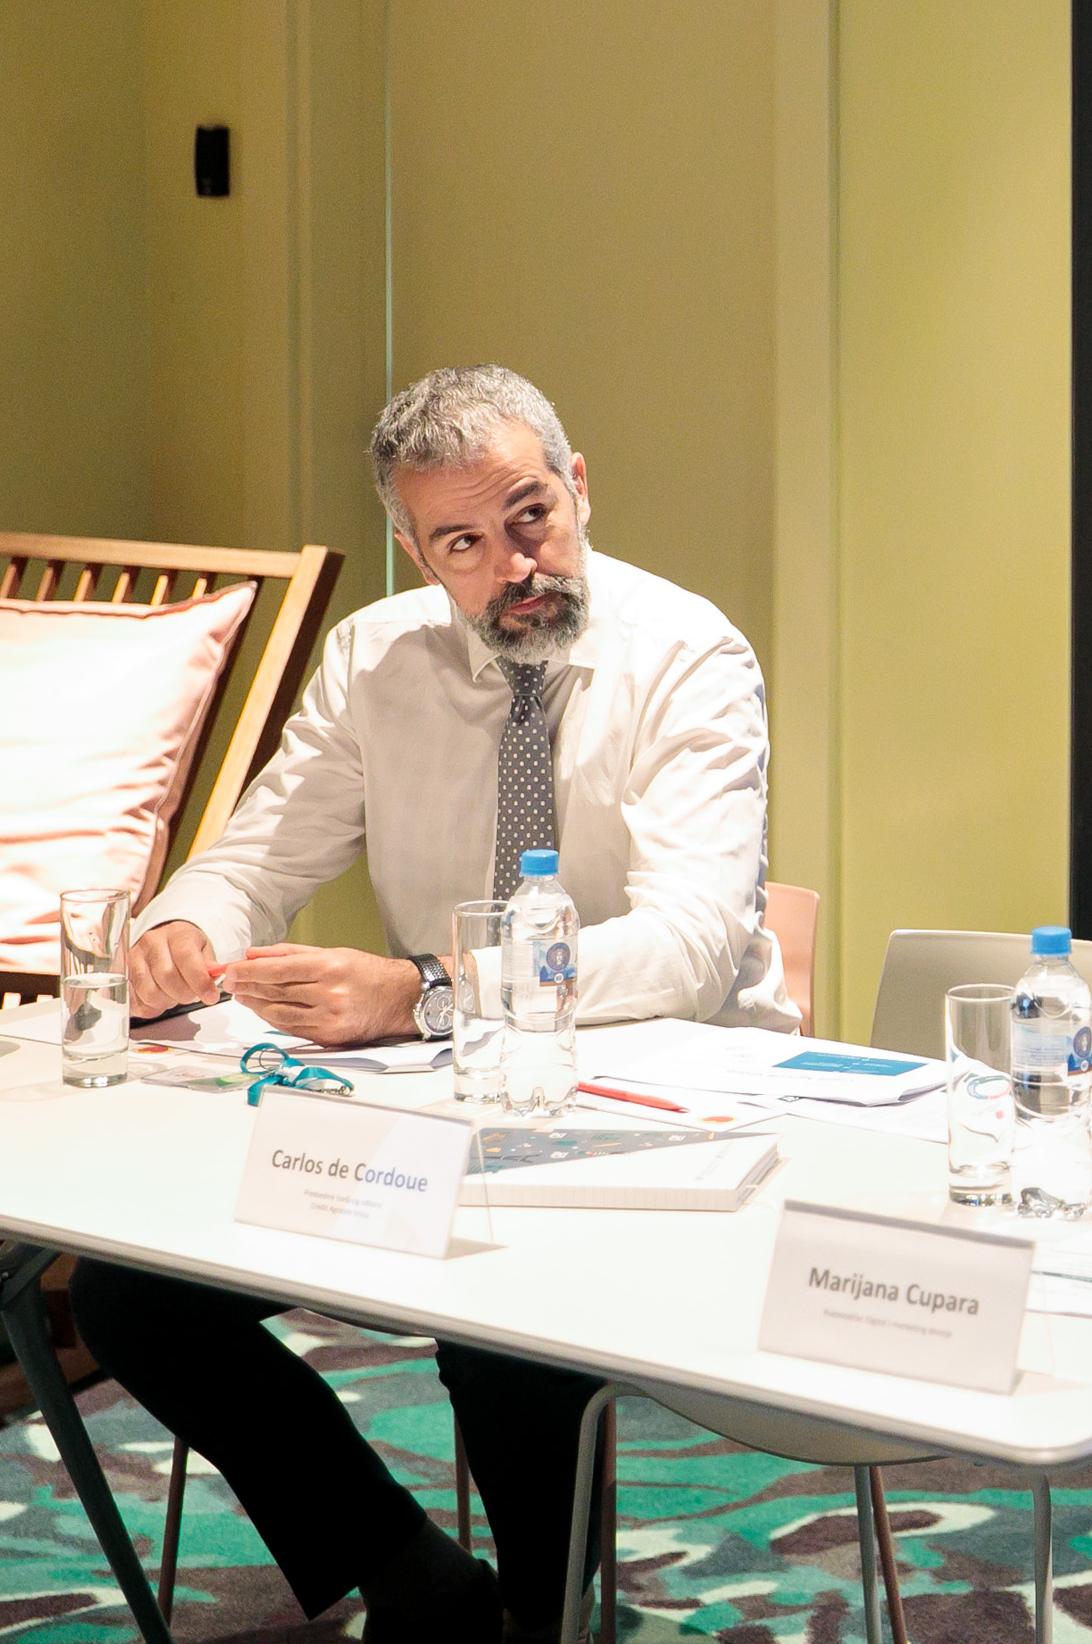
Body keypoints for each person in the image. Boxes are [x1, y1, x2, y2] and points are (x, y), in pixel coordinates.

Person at [72, 364, 786, 1643]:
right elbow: (260, 856)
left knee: (504, 1312)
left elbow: (688, 948)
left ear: (579, 486)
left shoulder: (690, 653)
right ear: (417, 549)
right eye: (463, 542)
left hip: (662, 1101)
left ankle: (546, 1620)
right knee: (133, 1295)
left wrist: (431, 994)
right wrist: (186, 929)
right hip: (450, 1105)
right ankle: (410, 1572)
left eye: (530, 516)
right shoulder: (374, 657)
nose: (514, 565)